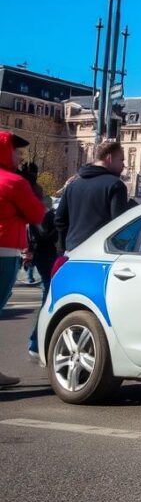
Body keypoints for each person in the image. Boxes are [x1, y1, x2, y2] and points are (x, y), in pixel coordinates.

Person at [0, 132, 46, 388]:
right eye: (16, 152)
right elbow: (36, 212)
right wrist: (31, 189)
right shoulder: (13, 182)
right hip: (4, 251)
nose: (19, 157)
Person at [55, 141, 128, 253]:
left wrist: (65, 246)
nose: (124, 165)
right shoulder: (115, 185)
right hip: (99, 252)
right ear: (109, 158)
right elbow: (119, 225)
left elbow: (59, 219)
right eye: (121, 160)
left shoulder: (73, 184)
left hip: (72, 251)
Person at [25, 183, 57, 356]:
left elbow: (32, 237)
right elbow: (50, 237)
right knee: (47, 297)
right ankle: (36, 342)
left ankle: (36, 342)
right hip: (48, 256)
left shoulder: (31, 214)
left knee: (46, 294)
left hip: (38, 255)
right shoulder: (46, 214)